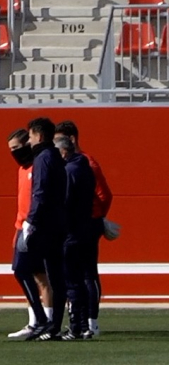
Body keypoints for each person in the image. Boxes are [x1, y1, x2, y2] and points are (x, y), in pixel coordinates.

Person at [55, 120, 113, 336]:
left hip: (84, 224)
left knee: (86, 274)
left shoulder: (86, 163)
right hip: (83, 223)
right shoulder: (77, 163)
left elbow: (104, 195)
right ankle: (83, 322)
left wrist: (96, 218)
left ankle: (91, 321)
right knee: (79, 275)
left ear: (70, 140)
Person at [21, 117, 68, 341]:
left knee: (23, 267)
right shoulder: (55, 157)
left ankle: (43, 321)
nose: (28, 141)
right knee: (55, 276)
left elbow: (40, 192)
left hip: (45, 225)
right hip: (57, 223)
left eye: (30, 136)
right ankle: (53, 324)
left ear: (38, 136)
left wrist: (31, 221)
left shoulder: (43, 157)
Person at [5, 130, 52, 338]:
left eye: (16, 148)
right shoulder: (22, 169)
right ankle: (37, 321)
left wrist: (30, 224)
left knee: (33, 273)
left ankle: (45, 320)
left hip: (36, 227)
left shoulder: (38, 165)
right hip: (23, 227)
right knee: (29, 273)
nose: (14, 153)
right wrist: (18, 228)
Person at [55, 134, 97, 340]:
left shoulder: (69, 171)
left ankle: (75, 327)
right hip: (84, 230)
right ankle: (83, 325)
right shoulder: (85, 167)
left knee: (72, 282)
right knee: (81, 279)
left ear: (63, 152)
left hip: (71, 233)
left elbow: (65, 202)